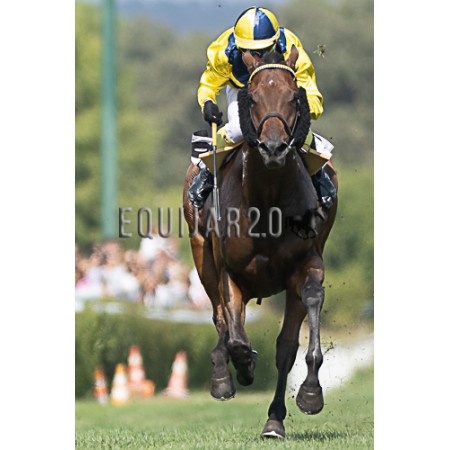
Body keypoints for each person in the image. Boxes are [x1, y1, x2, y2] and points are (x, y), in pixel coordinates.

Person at [188, 6, 336, 210]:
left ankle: (317, 173)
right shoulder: (224, 51)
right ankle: (207, 171)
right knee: (239, 128)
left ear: (275, 43)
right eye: (249, 51)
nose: (256, 58)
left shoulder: (290, 47)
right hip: (242, 89)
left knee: (292, 126)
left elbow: (310, 91)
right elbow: (209, 85)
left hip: (280, 88)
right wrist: (207, 102)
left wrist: (302, 109)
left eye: (262, 51)